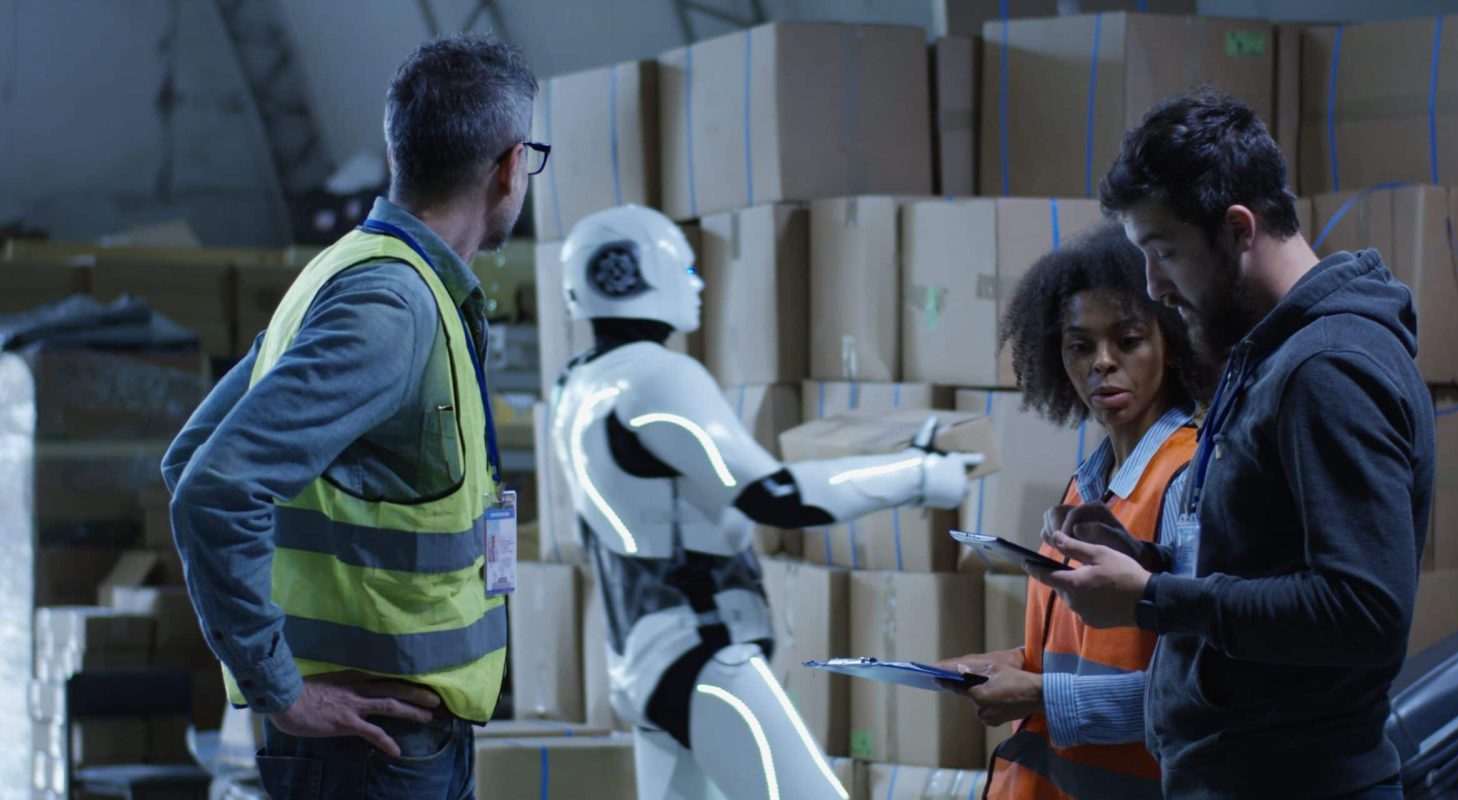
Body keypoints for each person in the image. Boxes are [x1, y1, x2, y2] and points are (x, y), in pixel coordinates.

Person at [160, 35, 541, 800]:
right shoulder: (389, 307)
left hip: (391, 742)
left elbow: (189, 455)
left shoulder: (349, 272)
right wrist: (279, 689)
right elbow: (212, 487)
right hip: (371, 750)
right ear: (509, 166)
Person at [1026, 88, 1435, 800]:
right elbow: (1268, 562)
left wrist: (1153, 599)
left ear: (1239, 229)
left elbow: (1364, 613)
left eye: (1164, 253)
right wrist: (1144, 561)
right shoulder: (1270, 357)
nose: (1154, 286)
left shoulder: (1325, 368)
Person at [548, 204, 981, 800]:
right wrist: (922, 475)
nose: (697, 285)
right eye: (687, 268)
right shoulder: (657, 378)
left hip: (641, 656)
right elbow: (774, 496)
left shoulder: (576, 384)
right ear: (635, 272)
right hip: (699, 652)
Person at [937, 223, 1205, 799]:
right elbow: (1089, 655)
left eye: (1128, 340)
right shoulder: (1085, 487)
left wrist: (1035, 694)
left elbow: (1199, 690)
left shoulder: (1187, 480)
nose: (1102, 364)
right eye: (1079, 346)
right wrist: (1010, 664)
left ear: (1170, 342)